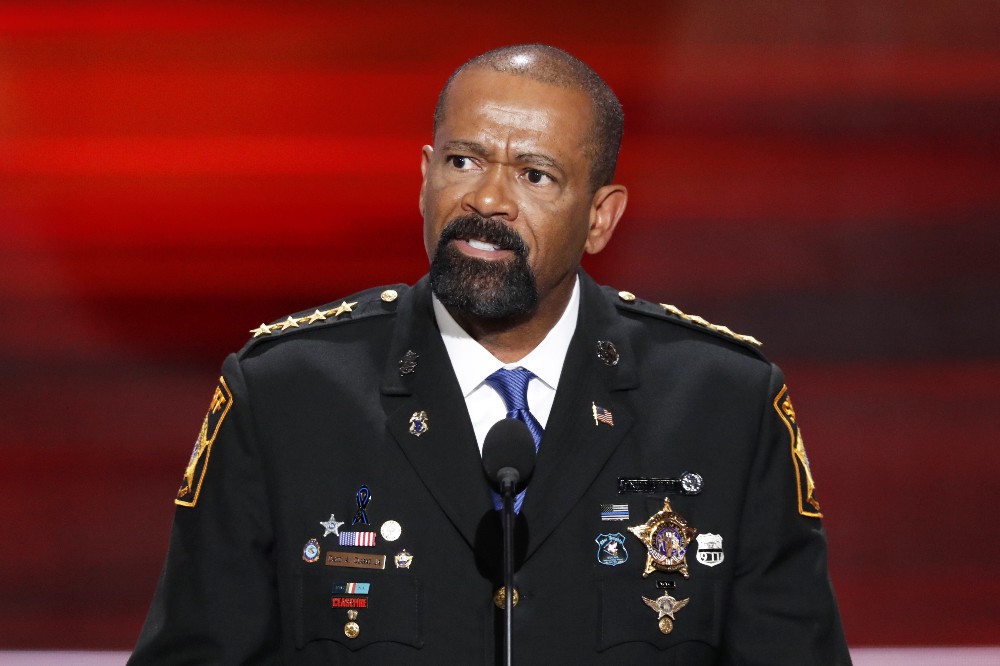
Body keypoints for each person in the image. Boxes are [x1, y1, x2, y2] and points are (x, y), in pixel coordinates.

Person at [129, 43, 851, 664]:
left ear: (601, 216)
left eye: (535, 175)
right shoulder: (285, 395)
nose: (487, 199)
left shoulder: (723, 404)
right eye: (463, 159)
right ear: (424, 176)